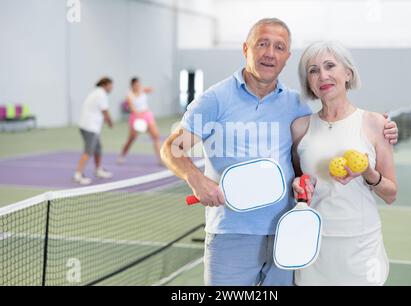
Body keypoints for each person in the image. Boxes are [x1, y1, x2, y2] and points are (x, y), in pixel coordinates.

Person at [161, 18, 398, 286]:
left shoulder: (296, 105)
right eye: (262, 44)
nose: (269, 53)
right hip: (232, 233)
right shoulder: (215, 100)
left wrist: (381, 126)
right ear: (245, 49)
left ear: (286, 57)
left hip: (288, 232)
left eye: (279, 47)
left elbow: (331, 127)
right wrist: (196, 179)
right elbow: (173, 148)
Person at [291, 41, 398, 285]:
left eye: (330, 66)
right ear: (308, 81)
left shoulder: (376, 123)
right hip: (313, 244)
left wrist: (369, 173)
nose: (323, 76)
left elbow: (391, 194)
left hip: (361, 245)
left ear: (347, 73)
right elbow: (299, 183)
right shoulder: (299, 128)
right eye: (313, 70)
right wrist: (298, 185)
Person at [73, 77, 114, 185]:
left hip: (90, 126)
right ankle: (78, 175)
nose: (112, 88)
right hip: (89, 127)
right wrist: (110, 122)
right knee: (88, 151)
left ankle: (98, 170)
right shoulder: (101, 94)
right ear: (105, 85)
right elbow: (105, 111)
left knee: (98, 149)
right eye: (110, 85)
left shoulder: (96, 93)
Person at [117, 77, 161, 164]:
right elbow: (132, 108)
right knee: (131, 139)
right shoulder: (129, 95)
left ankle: (160, 159)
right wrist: (138, 115)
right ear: (132, 86)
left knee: (156, 136)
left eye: (139, 85)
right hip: (136, 118)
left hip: (147, 115)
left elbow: (150, 90)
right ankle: (122, 155)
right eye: (136, 85)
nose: (138, 86)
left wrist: (149, 89)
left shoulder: (142, 90)